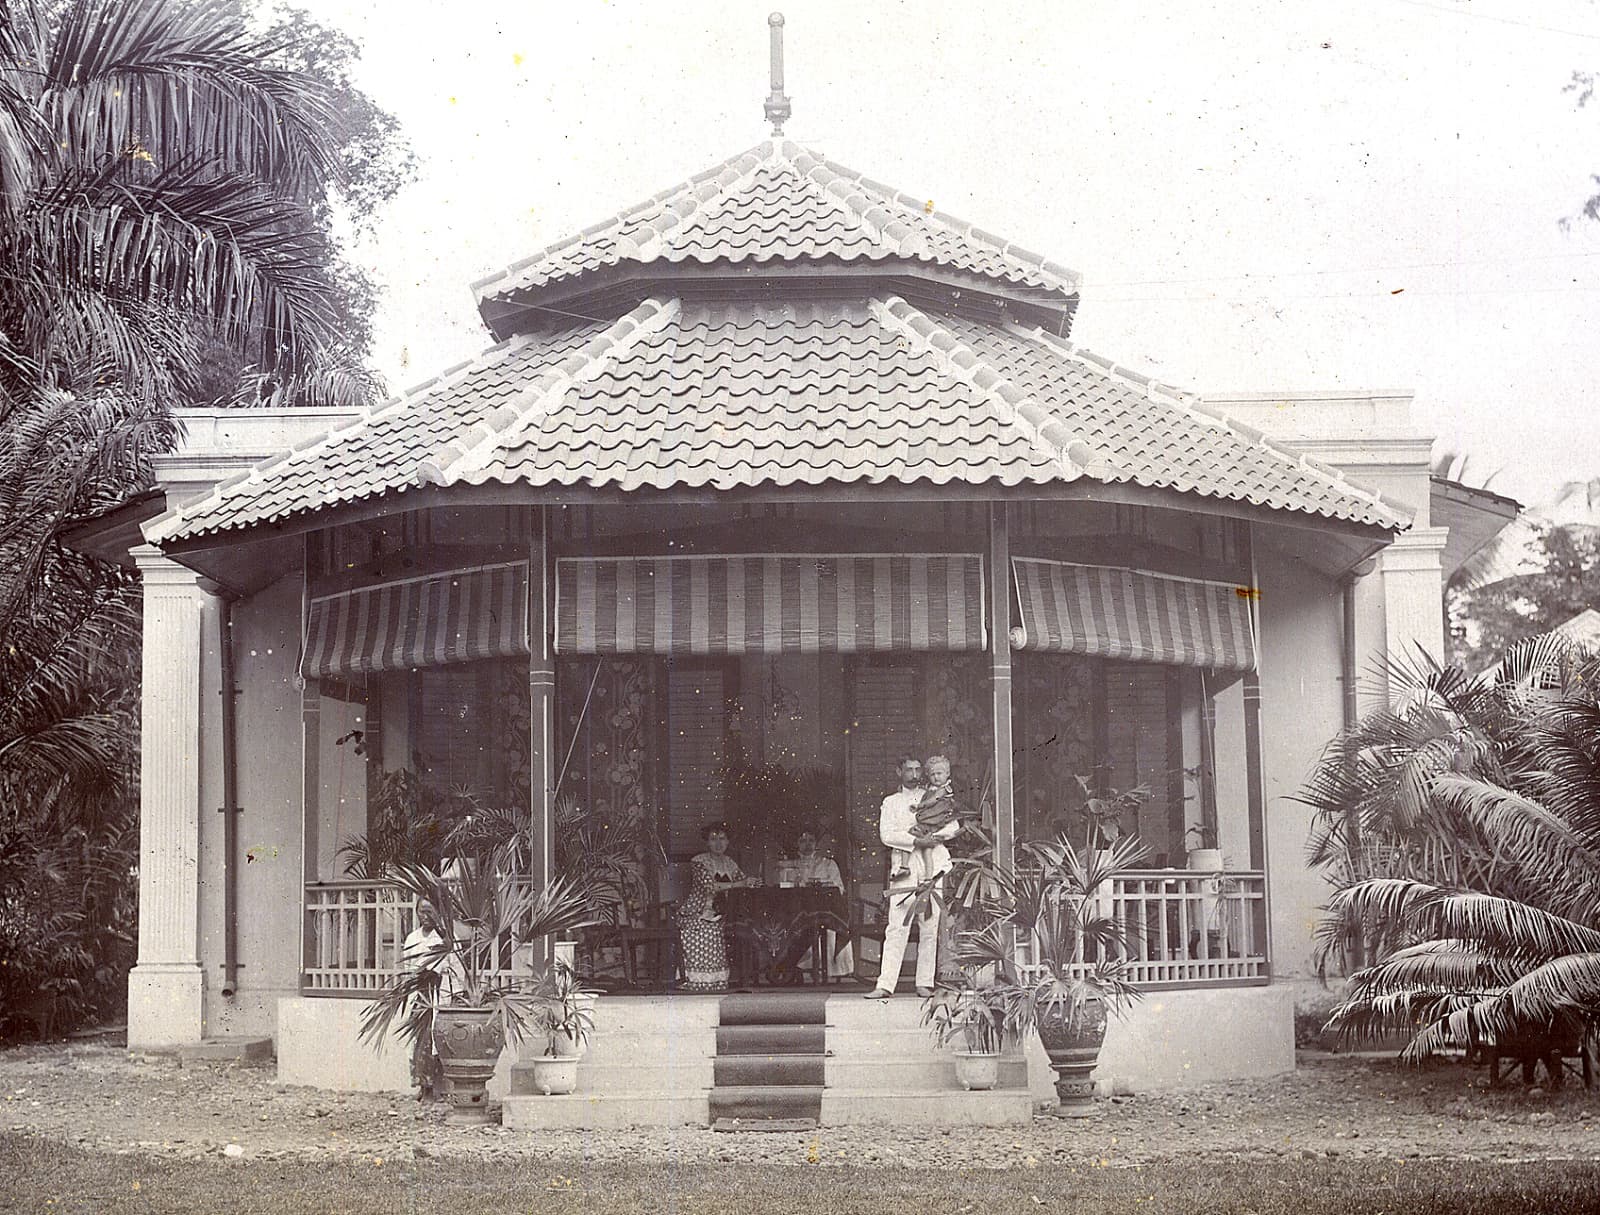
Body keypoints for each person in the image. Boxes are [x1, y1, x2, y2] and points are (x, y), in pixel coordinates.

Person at [865, 755, 960, 999]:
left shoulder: (935, 795)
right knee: (897, 925)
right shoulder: (891, 802)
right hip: (904, 868)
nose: (915, 774)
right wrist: (916, 841)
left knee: (930, 925)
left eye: (918, 770)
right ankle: (885, 984)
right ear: (899, 772)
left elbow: (953, 826)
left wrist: (935, 838)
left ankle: (924, 982)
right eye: (909, 770)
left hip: (933, 864)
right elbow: (887, 835)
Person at [676, 821, 759, 992]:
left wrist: (752, 883)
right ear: (707, 842)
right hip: (698, 911)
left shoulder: (729, 863)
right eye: (713, 839)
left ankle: (723, 980)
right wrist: (742, 883)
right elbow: (710, 886)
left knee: (747, 927)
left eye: (722, 838)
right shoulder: (699, 861)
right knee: (707, 929)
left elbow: (743, 883)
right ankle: (698, 980)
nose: (718, 843)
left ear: (728, 841)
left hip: (724, 912)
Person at [790, 826, 853, 979]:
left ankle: (828, 969)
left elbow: (839, 888)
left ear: (816, 843)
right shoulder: (791, 865)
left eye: (811, 840)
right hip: (799, 912)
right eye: (803, 841)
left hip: (825, 911)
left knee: (827, 926)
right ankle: (794, 969)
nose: (807, 844)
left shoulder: (828, 864)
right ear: (797, 844)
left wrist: (822, 884)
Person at [403, 900, 448, 1101]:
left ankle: (434, 1089)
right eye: (422, 911)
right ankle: (422, 1086)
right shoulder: (412, 938)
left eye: (430, 911)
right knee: (418, 1040)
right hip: (418, 995)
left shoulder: (446, 938)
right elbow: (408, 968)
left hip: (437, 993)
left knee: (433, 1041)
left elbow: (453, 969)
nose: (425, 916)